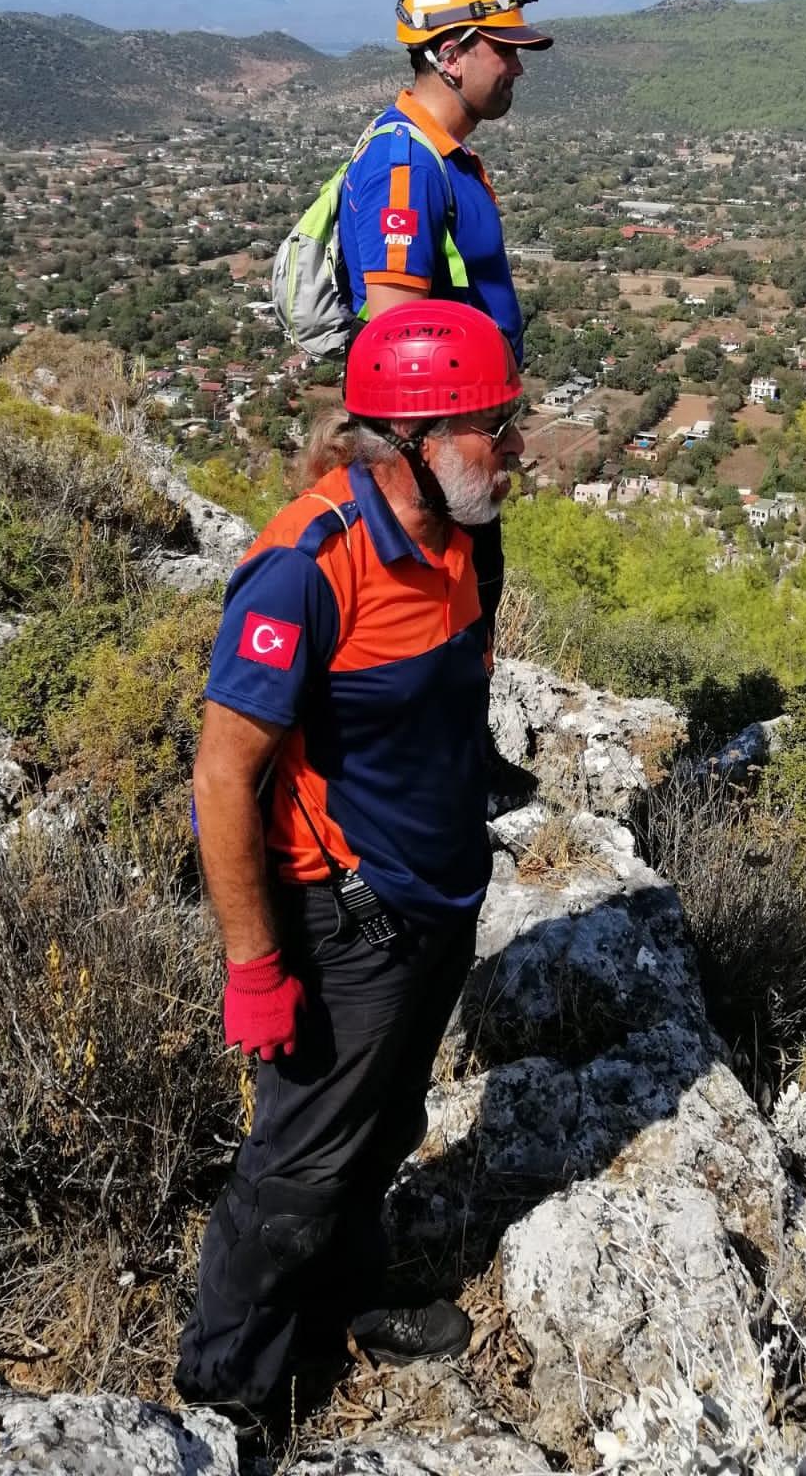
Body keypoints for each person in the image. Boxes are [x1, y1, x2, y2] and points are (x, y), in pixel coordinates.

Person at [175, 301, 526, 1422]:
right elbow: (225, 773)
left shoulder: (466, 534)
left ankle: (352, 1302)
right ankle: (226, 1396)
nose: (516, 447)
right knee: (299, 1167)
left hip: (436, 890)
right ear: (410, 440)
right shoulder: (308, 568)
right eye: (493, 426)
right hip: (347, 915)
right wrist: (253, 963)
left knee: (386, 1123)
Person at [334, 0, 551, 634]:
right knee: (442, 630)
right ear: (451, 55)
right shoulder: (405, 163)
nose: (516, 68)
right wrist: (439, 474)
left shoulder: (442, 155)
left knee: (466, 628)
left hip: (456, 455)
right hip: (434, 466)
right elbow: (395, 335)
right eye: (504, 50)